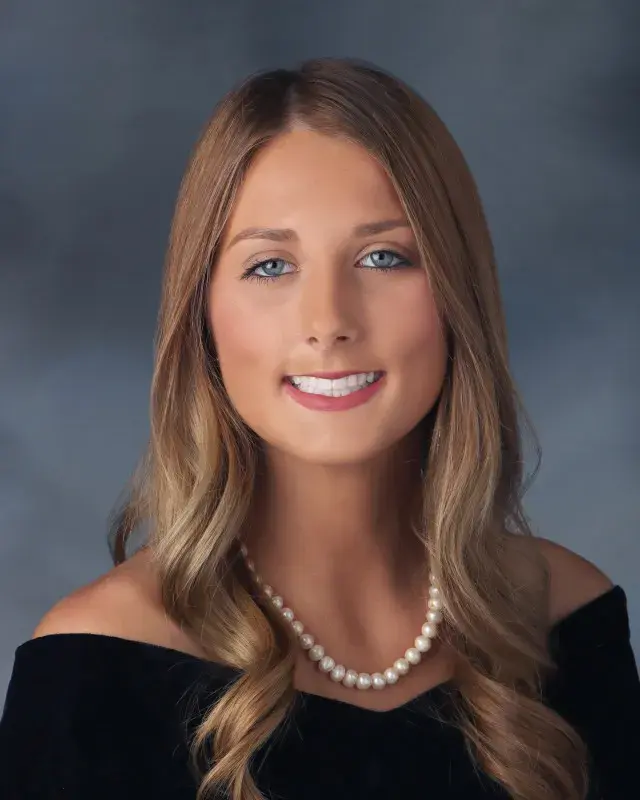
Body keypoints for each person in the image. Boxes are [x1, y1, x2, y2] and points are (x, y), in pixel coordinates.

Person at [0, 57, 638, 800]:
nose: (329, 321)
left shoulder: (568, 621)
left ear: (456, 293)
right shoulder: (94, 666)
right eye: (271, 266)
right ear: (203, 314)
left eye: (383, 257)